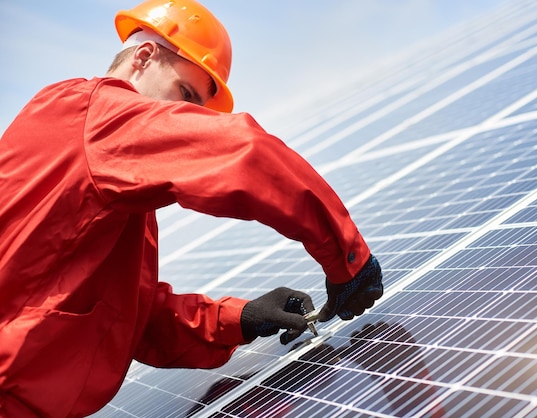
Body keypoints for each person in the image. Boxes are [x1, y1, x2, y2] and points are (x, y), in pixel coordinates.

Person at [0, 0, 383, 417]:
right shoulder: (96, 117)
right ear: (144, 57)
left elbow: (125, 319)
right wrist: (349, 259)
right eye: (184, 93)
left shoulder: (107, 176)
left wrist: (242, 318)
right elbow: (244, 155)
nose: (180, 116)